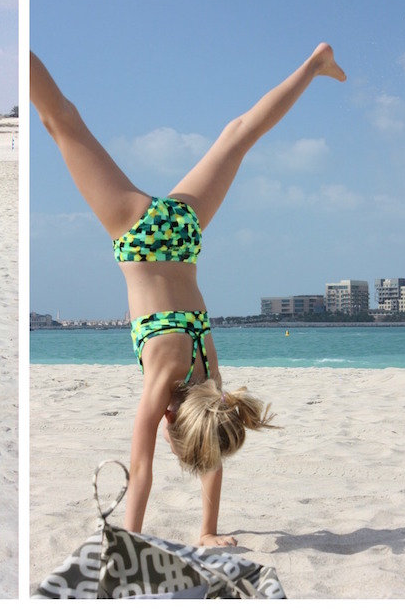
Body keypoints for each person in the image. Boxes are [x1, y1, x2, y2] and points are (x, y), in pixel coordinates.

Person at [30, 43, 346, 546]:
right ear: (173, 423)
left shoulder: (213, 383)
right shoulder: (164, 380)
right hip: (135, 231)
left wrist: (209, 533)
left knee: (240, 135)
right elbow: (140, 467)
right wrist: (129, 542)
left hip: (182, 232)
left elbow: (213, 447)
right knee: (60, 122)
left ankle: (314, 64)